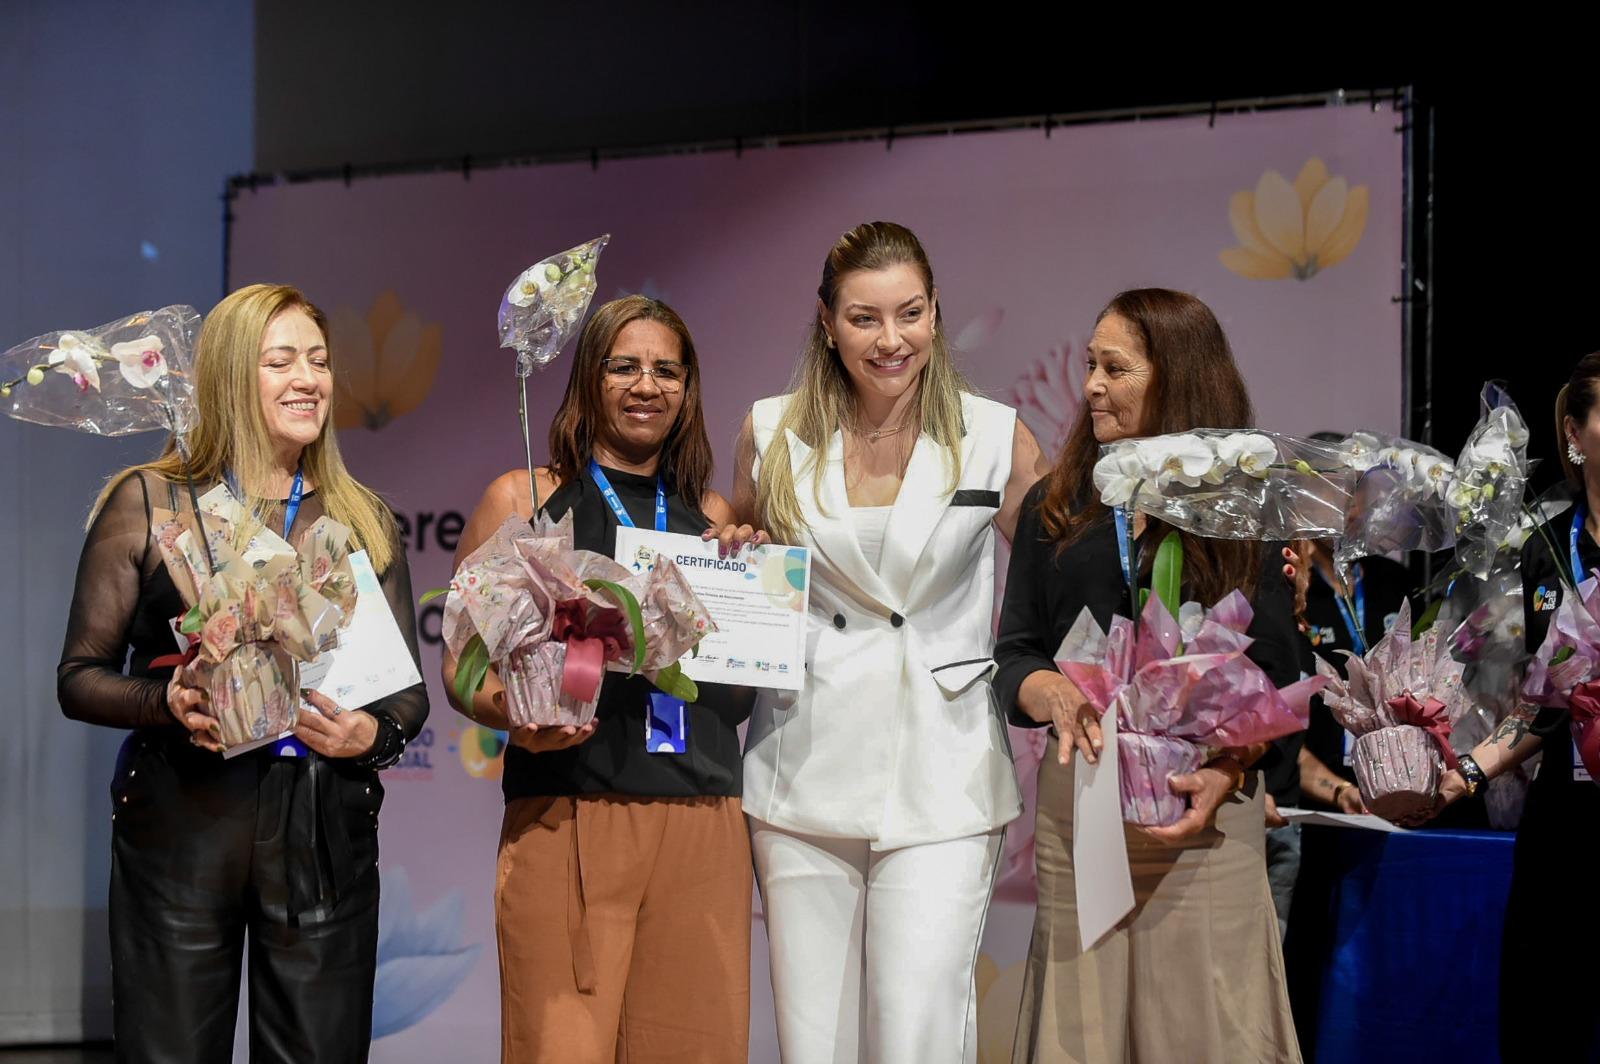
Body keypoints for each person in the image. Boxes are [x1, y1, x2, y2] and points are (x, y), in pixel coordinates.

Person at [57, 283, 428, 1062]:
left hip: (322, 838)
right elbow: (81, 677)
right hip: (182, 834)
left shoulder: (360, 516)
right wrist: (168, 701)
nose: (308, 379)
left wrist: (372, 736)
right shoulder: (154, 501)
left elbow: (406, 696)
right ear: (230, 375)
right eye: (281, 360)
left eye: (319, 361)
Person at [720, 220, 1047, 1063]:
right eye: (864, 318)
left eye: (909, 313)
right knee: (814, 1043)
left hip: (944, 770)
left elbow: (1057, 580)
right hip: (802, 763)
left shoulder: (994, 435)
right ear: (828, 322)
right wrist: (740, 554)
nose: (890, 340)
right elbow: (749, 568)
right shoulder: (770, 432)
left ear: (936, 312)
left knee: (916, 1031)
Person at [993, 288, 1304, 1063]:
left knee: (1209, 1033)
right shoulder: (1057, 505)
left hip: (1203, 815)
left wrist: (1227, 771)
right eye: (1090, 366)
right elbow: (1016, 656)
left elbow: (1274, 672)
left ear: (1177, 376)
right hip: (1083, 812)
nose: (1092, 386)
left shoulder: (1243, 506)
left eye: (1116, 369)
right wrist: (1052, 693)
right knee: (1080, 1035)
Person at [443, 295, 755, 1064]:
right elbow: (460, 666)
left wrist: (754, 586)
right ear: (590, 378)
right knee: (561, 1049)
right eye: (625, 366)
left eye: (667, 370)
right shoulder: (523, 500)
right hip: (567, 809)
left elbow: (739, 689)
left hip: (702, 816)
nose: (647, 385)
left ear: (688, 389)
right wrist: (516, 716)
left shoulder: (712, 517)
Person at [1419, 352, 1600, 1061]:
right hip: (1565, 825)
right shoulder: (1543, 549)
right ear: (1575, 435)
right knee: (1543, 1022)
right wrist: (1465, 772)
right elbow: (1538, 707)